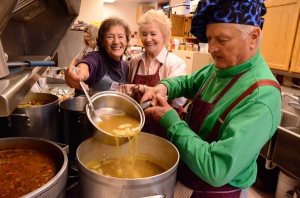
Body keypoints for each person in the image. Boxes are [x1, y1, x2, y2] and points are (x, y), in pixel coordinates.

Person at [139, 1, 282, 197]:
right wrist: (164, 86)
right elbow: (187, 82)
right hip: (189, 180)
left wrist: (172, 123)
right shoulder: (220, 69)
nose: (211, 48)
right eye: (209, 39)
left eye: (222, 40)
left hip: (218, 192)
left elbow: (217, 169)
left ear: (253, 37)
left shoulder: (261, 97)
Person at [119, 9, 187, 137]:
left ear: (164, 35)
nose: (148, 39)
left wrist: (143, 88)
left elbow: (179, 101)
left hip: (165, 128)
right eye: (144, 34)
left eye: (153, 34)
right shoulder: (135, 61)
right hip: (139, 126)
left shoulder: (174, 63)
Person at [65, 17, 131, 93]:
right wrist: (77, 74)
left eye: (120, 36)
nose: (116, 42)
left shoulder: (125, 67)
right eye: (110, 37)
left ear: (127, 41)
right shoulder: (96, 58)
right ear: (102, 41)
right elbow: (86, 65)